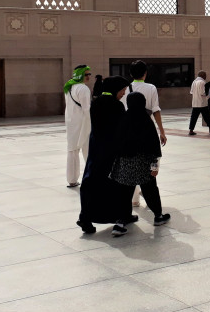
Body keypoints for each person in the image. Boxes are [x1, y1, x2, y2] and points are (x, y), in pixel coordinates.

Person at [77, 75, 130, 235]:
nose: (123, 94)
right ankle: (118, 216)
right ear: (115, 89)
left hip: (96, 147)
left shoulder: (96, 102)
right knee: (113, 184)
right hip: (111, 150)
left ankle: (85, 217)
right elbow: (120, 130)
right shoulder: (117, 106)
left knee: (91, 181)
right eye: (122, 90)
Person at [110, 92, 171, 230]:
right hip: (144, 164)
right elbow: (154, 146)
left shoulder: (124, 118)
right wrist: (155, 167)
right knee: (151, 191)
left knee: (124, 194)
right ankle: (158, 216)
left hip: (126, 164)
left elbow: (117, 142)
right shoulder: (145, 120)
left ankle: (120, 222)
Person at [125, 60, 167, 208]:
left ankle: (134, 199)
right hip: (147, 129)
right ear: (145, 73)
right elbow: (155, 109)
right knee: (151, 163)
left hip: (130, 130)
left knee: (132, 162)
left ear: (131, 73)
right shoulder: (151, 88)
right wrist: (161, 131)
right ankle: (151, 198)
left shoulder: (126, 88)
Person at [64, 65, 92, 188]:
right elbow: (87, 110)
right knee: (88, 152)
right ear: (80, 75)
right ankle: (91, 177)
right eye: (86, 74)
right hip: (83, 123)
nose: (89, 76)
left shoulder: (68, 87)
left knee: (72, 151)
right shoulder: (83, 89)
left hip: (71, 122)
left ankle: (72, 180)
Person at [188, 70, 210, 136]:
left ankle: (191, 130)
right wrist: (209, 95)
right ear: (202, 75)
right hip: (202, 103)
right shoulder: (202, 82)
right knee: (207, 117)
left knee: (193, 117)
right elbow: (203, 93)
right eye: (205, 75)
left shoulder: (194, 82)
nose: (206, 76)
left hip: (195, 103)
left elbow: (191, 92)